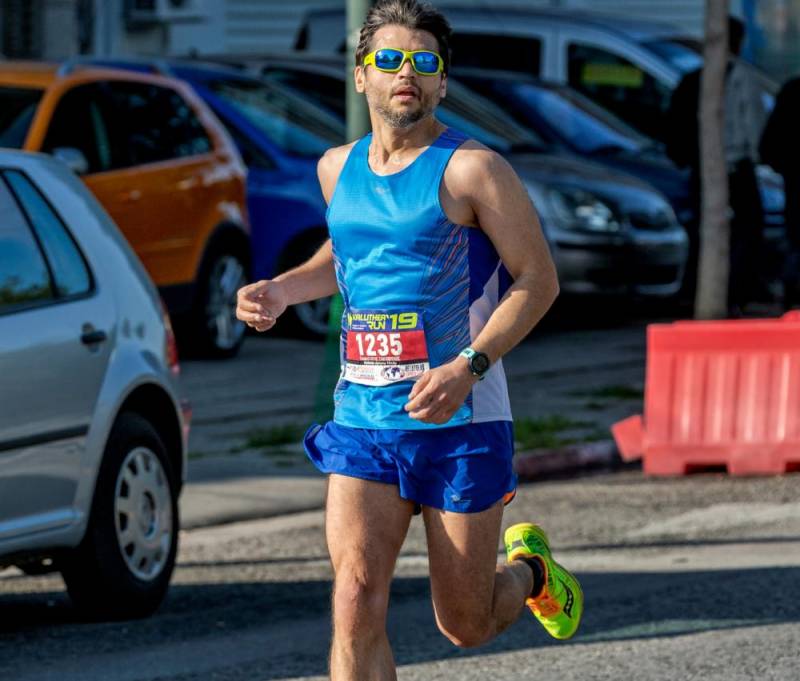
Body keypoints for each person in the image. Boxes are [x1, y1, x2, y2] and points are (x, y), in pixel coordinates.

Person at [236, 1, 582, 678]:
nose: (407, 73)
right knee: (354, 597)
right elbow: (349, 253)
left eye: (424, 62)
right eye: (389, 59)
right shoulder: (336, 167)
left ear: (442, 82)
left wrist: (468, 365)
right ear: (361, 75)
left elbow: (538, 280)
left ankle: (531, 571)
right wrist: (282, 289)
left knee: (465, 622)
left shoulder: (473, 169)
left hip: (460, 419)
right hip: (363, 415)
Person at [665, 15, 769, 314]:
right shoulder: (738, 78)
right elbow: (753, 125)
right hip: (731, 167)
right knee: (744, 230)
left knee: (722, 231)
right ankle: (729, 293)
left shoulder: (700, 79)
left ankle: (721, 292)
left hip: (711, 168)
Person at [760, 75, 800, 308]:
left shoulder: (791, 90)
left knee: (795, 238)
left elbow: (771, 141)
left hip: (793, 178)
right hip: (794, 176)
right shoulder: (792, 91)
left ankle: (792, 294)